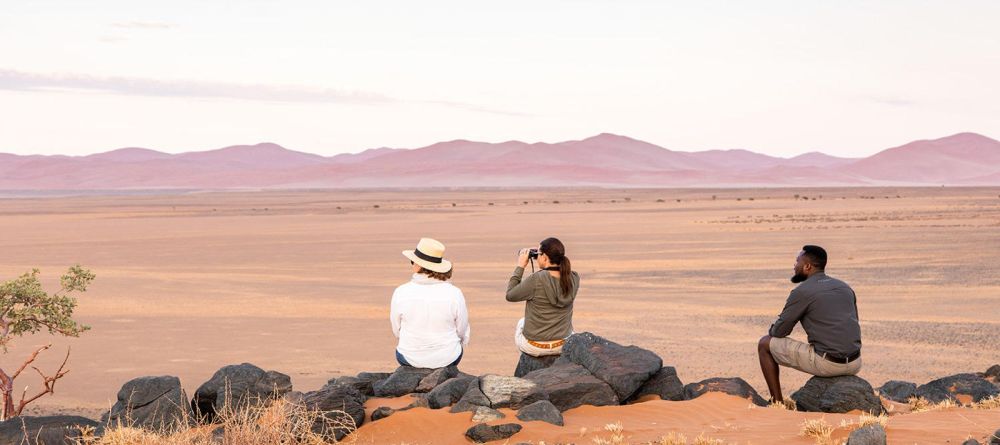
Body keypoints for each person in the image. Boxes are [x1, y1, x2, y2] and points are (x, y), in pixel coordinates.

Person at [757, 245, 862, 403]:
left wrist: (774, 327)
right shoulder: (845, 287)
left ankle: (776, 403)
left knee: (764, 344)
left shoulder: (802, 291)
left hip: (828, 364)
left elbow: (779, 332)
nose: (794, 265)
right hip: (855, 363)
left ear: (807, 266)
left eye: (797, 261)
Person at [391, 237, 470, 368]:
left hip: (408, 357)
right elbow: (461, 329)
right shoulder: (454, 293)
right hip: (449, 357)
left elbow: (396, 330)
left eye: (413, 261)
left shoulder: (401, 291)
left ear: (418, 266)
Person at [506, 237, 579, 356]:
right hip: (562, 344)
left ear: (544, 257)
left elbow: (510, 295)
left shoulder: (536, 279)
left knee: (521, 323)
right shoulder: (574, 278)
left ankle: (529, 367)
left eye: (538, 254)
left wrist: (520, 266)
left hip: (534, 347)